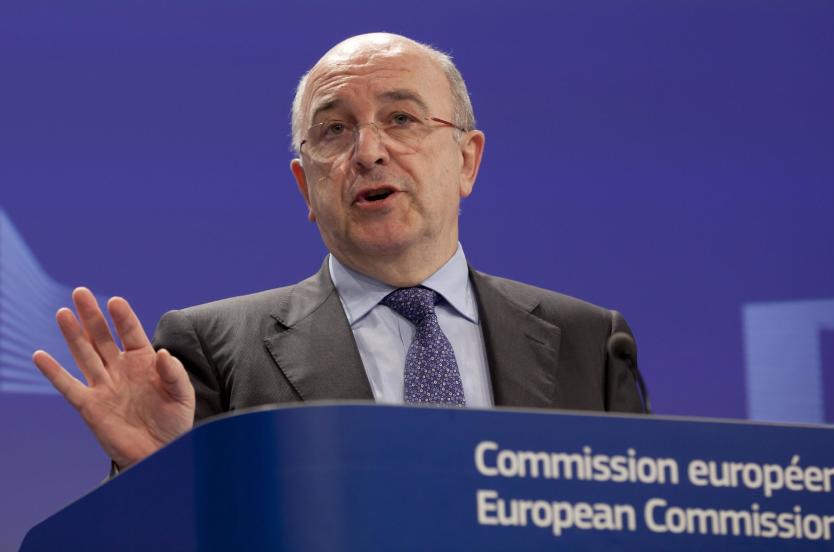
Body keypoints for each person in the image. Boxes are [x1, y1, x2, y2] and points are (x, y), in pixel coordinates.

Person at [32, 33, 647, 472]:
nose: (369, 151)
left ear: (466, 160)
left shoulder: (590, 343)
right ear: (305, 184)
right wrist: (156, 478)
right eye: (334, 130)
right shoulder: (214, 348)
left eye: (402, 118)